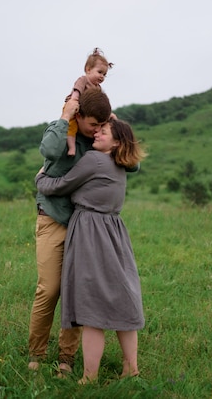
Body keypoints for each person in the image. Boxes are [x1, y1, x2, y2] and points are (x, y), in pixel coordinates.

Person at [35, 117, 147, 383]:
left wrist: (40, 179)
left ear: (116, 141)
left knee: (90, 305)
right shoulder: (122, 162)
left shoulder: (94, 160)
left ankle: (89, 376)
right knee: (122, 299)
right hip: (114, 232)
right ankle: (131, 368)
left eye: (104, 131)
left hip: (90, 231)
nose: (96, 134)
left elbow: (61, 184)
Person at [28, 88, 112, 376]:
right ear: (79, 115)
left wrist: (112, 123)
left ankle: (67, 357)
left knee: (76, 293)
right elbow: (49, 151)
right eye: (93, 125)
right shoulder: (65, 128)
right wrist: (65, 116)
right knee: (49, 289)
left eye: (103, 126)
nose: (98, 130)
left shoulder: (100, 139)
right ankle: (36, 353)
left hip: (83, 225)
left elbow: (132, 162)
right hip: (52, 218)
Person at [65, 48, 114, 157]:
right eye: (100, 72)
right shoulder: (83, 80)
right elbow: (77, 90)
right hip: (75, 107)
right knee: (71, 125)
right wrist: (74, 100)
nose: (102, 76)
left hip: (89, 112)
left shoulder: (98, 88)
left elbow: (100, 104)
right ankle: (72, 147)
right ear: (88, 69)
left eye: (104, 74)